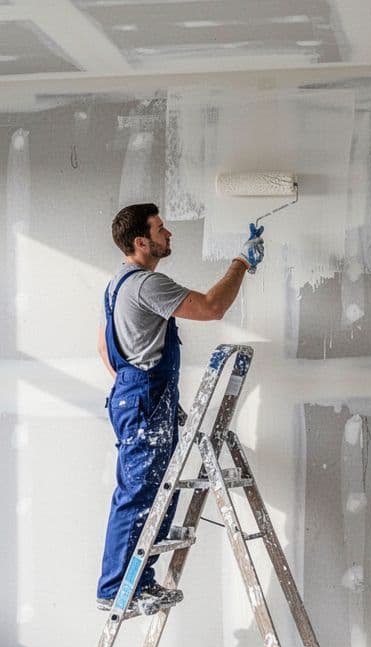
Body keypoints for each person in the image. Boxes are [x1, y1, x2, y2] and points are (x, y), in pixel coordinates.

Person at [95, 202, 265, 612]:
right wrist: (241, 261)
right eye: (160, 229)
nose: (168, 234)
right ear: (142, 242)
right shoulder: (146, 285)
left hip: (138, 396)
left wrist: (134, 384)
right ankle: (115, 589)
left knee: (157, 491)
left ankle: (139, 581)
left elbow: (104, 345)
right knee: (139, 494)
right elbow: (211, 307)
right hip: (142, 399)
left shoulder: (119, 284)